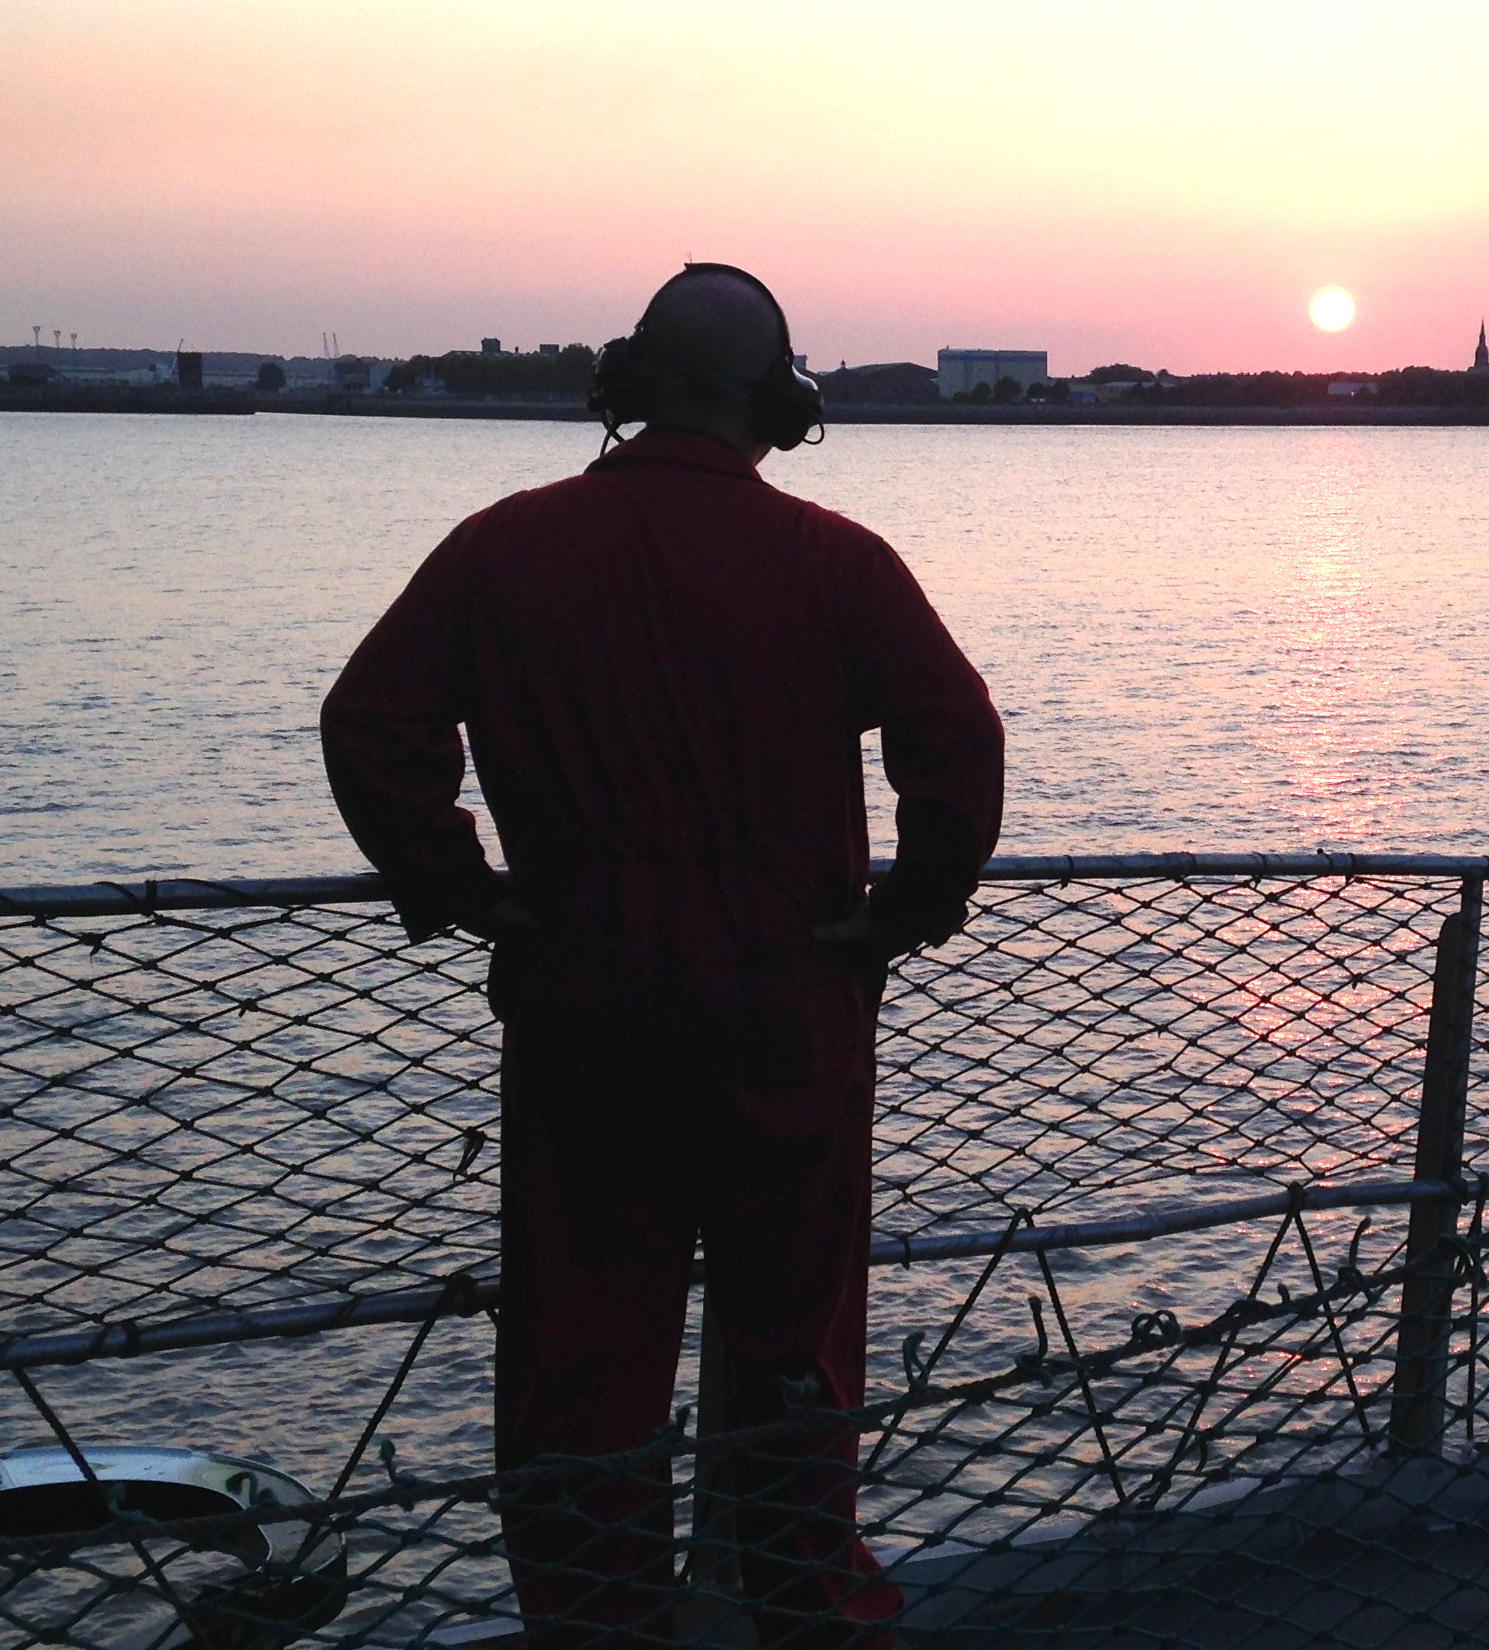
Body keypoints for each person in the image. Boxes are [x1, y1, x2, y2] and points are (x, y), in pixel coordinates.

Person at [321, 263, 1004, 1647]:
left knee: (582, 1353)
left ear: (627, 387)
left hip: (584, 1006)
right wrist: (903, 912)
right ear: (784, 404)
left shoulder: (502, 548)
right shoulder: (838, 564)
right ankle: (803, 1608)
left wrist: (468, 891)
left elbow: (371, 728)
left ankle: (594, 1621)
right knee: (796, 1349)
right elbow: (959, 743)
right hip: (788, 1005)